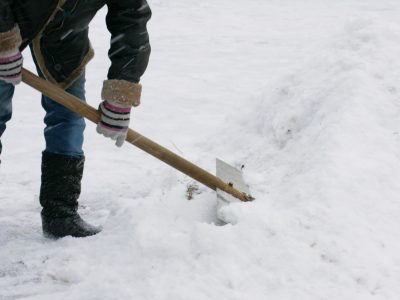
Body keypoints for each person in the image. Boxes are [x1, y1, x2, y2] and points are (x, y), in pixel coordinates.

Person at [0, 0, 151, 238]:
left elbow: (131, 18)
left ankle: (60, 213)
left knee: (69, 116)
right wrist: (3, 40)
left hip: (62, 38)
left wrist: (122, 92)